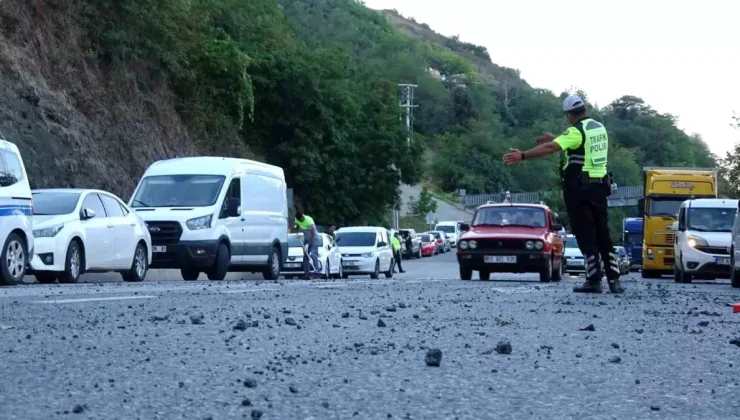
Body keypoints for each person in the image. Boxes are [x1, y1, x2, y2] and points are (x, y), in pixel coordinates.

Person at [502, 94, 622, 294]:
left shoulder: (576, 131)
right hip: (600, 187)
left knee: (585, 234)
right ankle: (614, 280)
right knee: (603, 233)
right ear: (585, 110)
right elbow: (579, 146)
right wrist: (557, 138)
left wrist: (522, 155)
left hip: (580, 189)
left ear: (569, 115)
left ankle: (593, 280)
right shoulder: (598, 128)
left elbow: (552, 147)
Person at [295, 211, 321, 278]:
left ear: (303, 216)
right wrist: (297, 232)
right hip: (306, 239)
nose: (301, 221)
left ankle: (316, 272)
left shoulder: (309, 220)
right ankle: (307, 273)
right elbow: (296, 225)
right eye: (299, 220)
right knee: (306, 256)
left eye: (301, 219)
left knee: (313, 254)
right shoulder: (297, 219)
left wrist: (308, 244)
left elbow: (312, 234)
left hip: (314, 238)